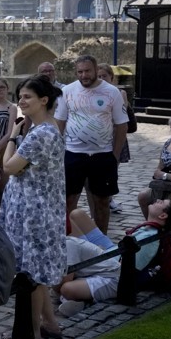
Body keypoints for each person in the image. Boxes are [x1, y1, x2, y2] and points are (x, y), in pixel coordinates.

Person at [0, 74, 65, 339]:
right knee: (37, 273)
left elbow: (9, 166)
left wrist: (13, 135)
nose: (21, 102)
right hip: (33, 210)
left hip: (34, 215)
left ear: (44, 100)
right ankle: (50, 323)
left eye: (27, 97)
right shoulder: (43, 130)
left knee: (32, 275)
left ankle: (32, 332)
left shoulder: (41, 134)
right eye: (20, 96)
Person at [58, 195, 171, 317]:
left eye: (161, 202)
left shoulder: (149, 240)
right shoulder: (164, 231)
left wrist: (96, 252)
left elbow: (123, 269)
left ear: (163, 216)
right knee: (77, 214)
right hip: (114, 252)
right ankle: (76, 279)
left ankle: (68, 282)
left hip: (114, 268)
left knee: (67, 286)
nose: (157, 200)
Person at [54, 55, 128, 234]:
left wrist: (115, 155)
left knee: (102, 200)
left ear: (96, 70)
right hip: (73, 153)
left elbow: (121, 124)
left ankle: (101, 240)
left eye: (87, 71)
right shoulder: (68, 91)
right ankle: (69, 238)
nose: (84, 75)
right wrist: (58, 151)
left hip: (102, 154)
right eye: (80, 72)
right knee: (69, 199)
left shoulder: (112, 92)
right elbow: (60, 121)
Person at [136, 114, 171, 217]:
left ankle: (162, 228)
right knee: (142, 196)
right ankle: (153, 225)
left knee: (161, 202)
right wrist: (158, 172)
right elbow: (161, 164)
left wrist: (163, 175)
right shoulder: (169, 142)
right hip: (163, 182)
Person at [97, 62, 131, 213]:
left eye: (104, 76)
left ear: (111, 77)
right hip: (98, 137)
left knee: (112, 169)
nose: (102, 79)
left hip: (115, 134)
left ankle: (109, 198)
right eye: (99, 76)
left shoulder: (119, 93)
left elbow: (119, 117)